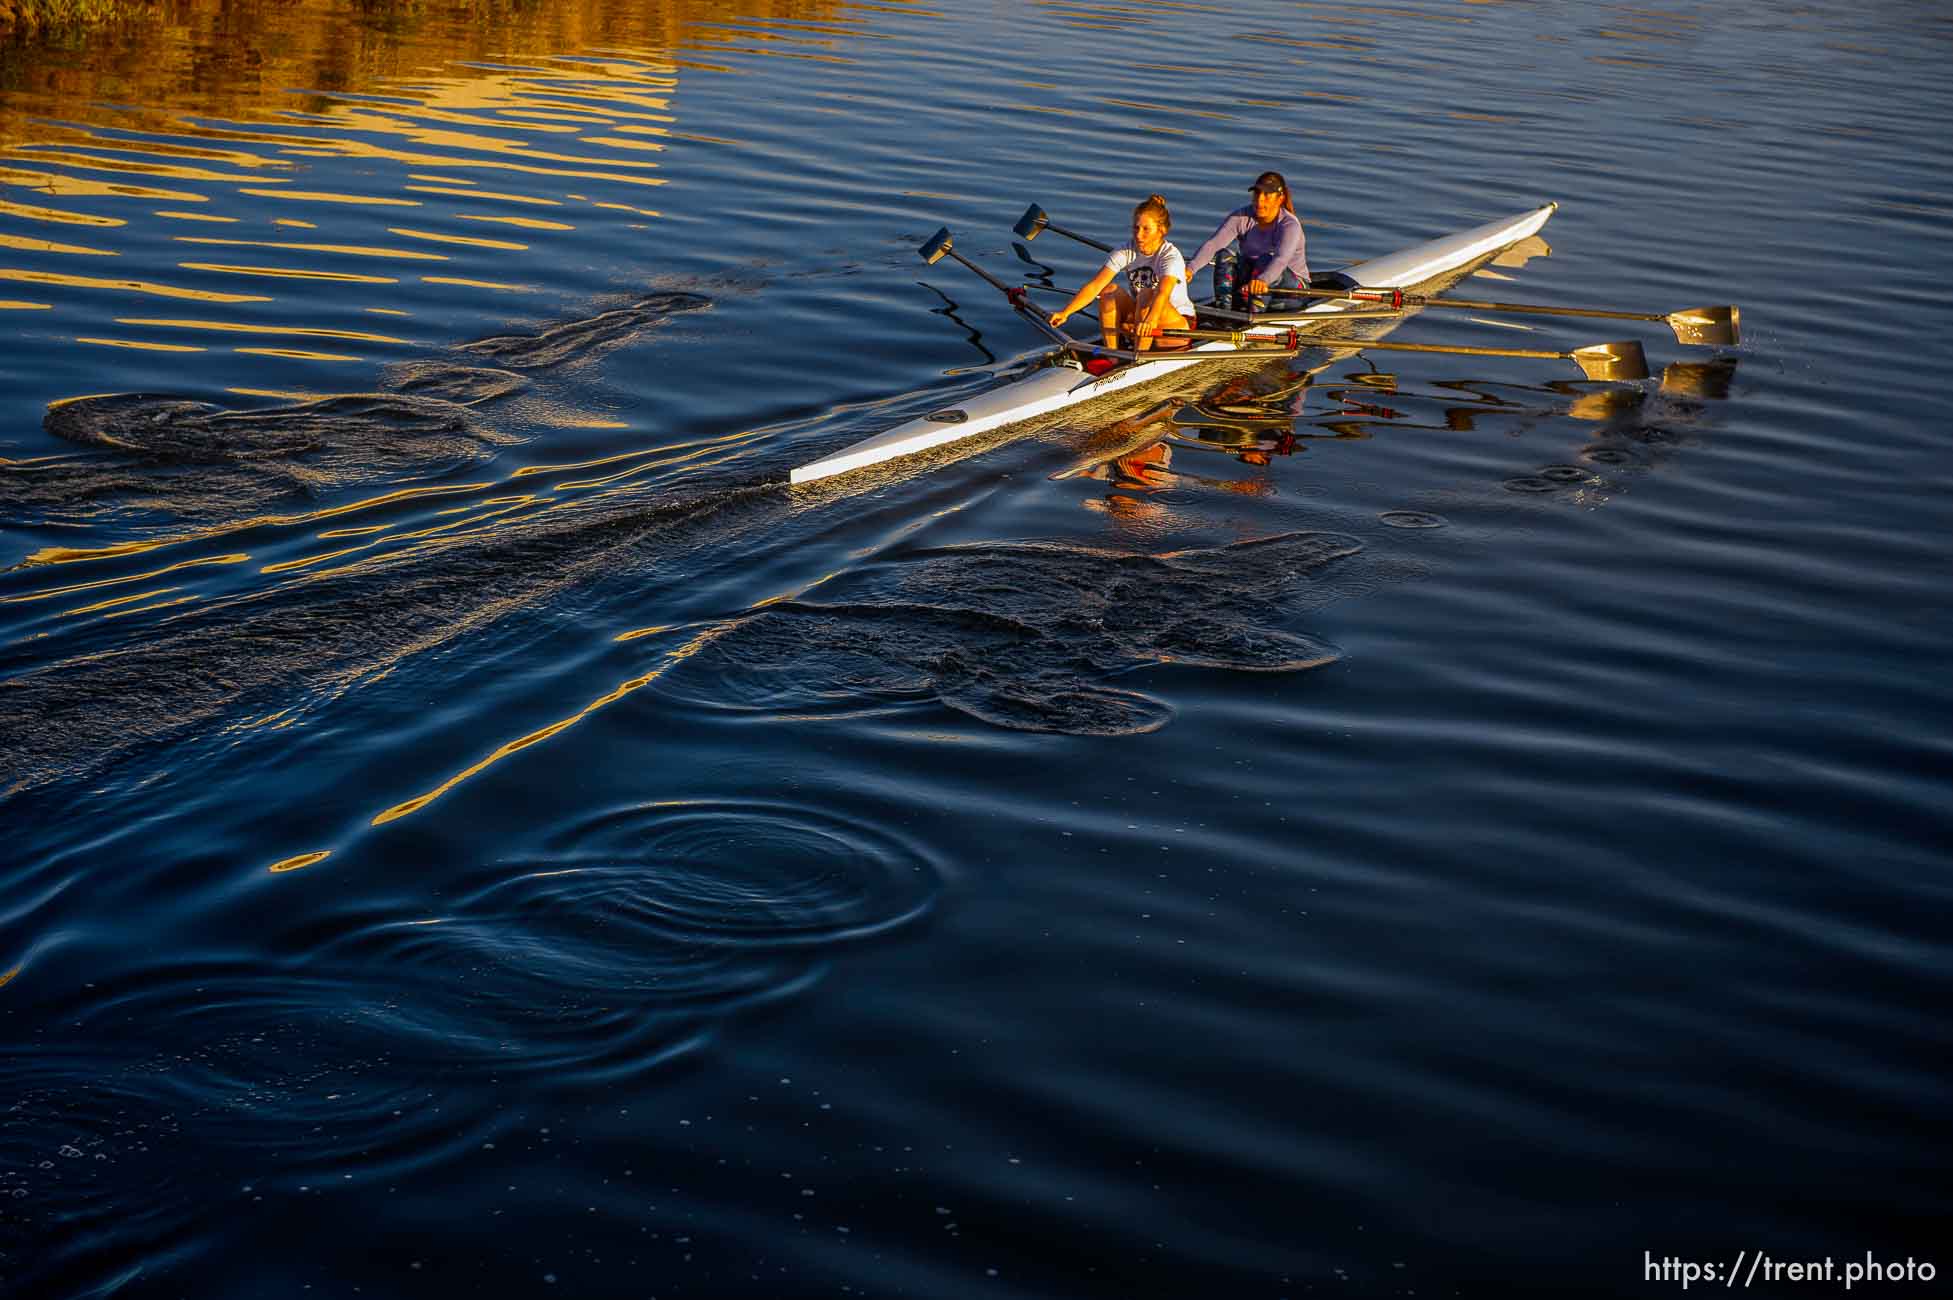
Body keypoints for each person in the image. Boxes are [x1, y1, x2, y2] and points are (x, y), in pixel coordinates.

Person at [1047, 194, 1197, 353]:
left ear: (1161, 230)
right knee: (1109, 291)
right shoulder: (1126, 250)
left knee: (1147, 294)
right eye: (1136, 228)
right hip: (1143, 319)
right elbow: (1095, 286)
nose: (1139, 235)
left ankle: (1137, 358)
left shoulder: (1170, 256)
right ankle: (1112, 355)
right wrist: (1066, 312)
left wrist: (1150, 321)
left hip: (1175, 327)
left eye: (1146, 229)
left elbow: (1162, 293)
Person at [1184, 171, 1310, 314]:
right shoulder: (1242, 216)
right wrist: (1190, 269)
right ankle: (1223, 314)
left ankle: (1253, 320)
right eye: (1257, 194)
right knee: (1225, 255)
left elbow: (1281, 259)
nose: (1260, 201)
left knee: (1265, 260)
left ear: (1280, 199)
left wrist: (1263, 280)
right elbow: (1213, 244)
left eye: (1267, 195)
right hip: (1252, 285)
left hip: (1292, 293)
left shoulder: (1289, 225)